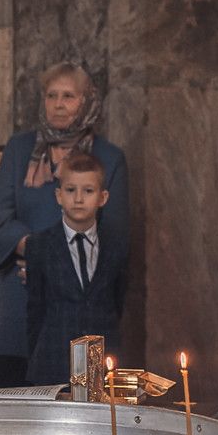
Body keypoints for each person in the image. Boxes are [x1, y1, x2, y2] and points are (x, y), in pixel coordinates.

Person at [0, 61, 130, 386]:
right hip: (18, 293)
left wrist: (54, 262)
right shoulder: (19, 148)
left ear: (87, 101)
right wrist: (39, 255)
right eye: (52, 95)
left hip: (80, 302)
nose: (59, 104)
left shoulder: (109, 157)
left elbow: (116, 237)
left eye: (69, 96)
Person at [23, 152, 127, 387]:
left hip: (102, 362)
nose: (78, 199)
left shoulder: (116, 245)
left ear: (103, 197)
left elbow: (117, 301)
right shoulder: (39, 245)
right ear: (59, 195)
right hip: (52, 362)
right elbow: (35, 309)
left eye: (88, 191)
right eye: (71, 190)